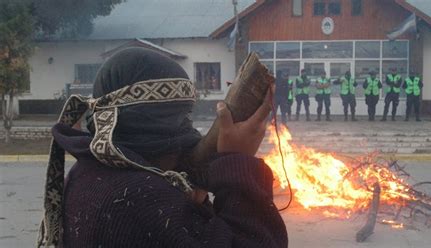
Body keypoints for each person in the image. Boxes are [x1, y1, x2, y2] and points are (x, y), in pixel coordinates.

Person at [36, 47, 288, 248]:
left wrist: (194, 203)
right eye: (180, 121)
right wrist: (238, 162)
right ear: (155, 132)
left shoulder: (90, 172)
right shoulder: (141, 196)